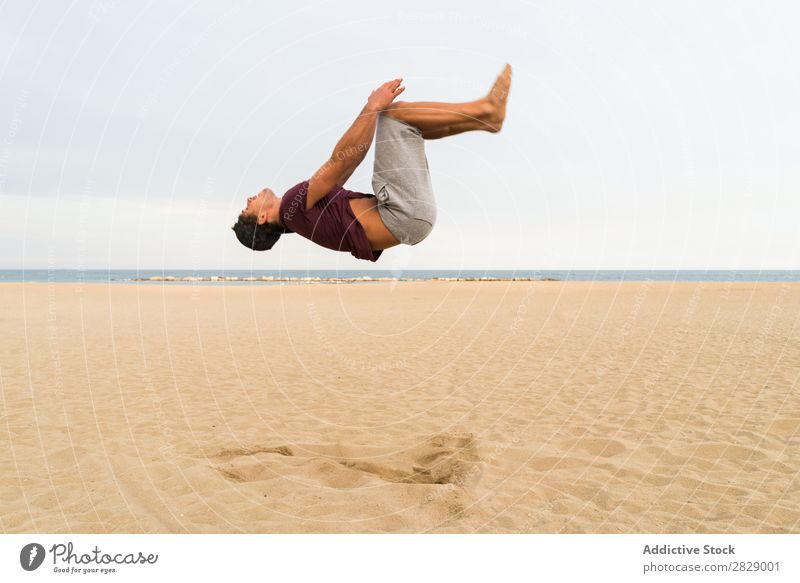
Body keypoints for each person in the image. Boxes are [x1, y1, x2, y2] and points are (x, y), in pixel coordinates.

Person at [232, 64, 512, 261]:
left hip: (412, 222)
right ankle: (485, 109)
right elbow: (341, 161)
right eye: (248, 208)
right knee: (393, 117)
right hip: (402, 213)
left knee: (406, 123)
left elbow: (350, 160)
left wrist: (373, 110)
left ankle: (485, 120)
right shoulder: (293, 206)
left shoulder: (304, 219)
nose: (248, 199)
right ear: (262, 218)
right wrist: (372, 107)